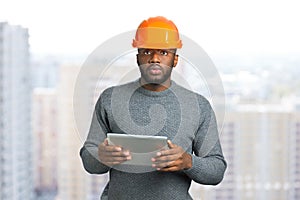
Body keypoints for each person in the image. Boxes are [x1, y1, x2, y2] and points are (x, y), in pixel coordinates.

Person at [80, 16, 227, 200]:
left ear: (175, 60)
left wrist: (188, 162)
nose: (155, 59)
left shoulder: (198, 106)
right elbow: (88, 159)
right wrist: (101, 156)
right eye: (147, 52)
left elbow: (217, 170)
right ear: (138, 58)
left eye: (164, 53)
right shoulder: (110, 99)